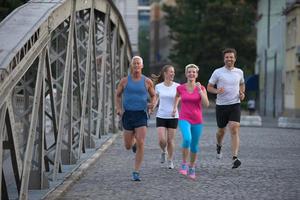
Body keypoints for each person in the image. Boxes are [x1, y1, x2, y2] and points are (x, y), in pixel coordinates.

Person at [115, 56, 156, 181]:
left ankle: (136, 171)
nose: (136, 65)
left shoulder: (147, 81)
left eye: (138, 63)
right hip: (128, 115)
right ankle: (132, 145)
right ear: (131, 66)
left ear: (142, 66)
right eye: (134, 63)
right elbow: (117, 95)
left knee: (141, 142)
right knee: (127, 145)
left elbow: (153, 96)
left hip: (141, 114)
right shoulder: (124, 81)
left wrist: (152, 104)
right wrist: (118, 108)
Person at [207, 48, 245, 169]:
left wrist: (242, 93)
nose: (229, 59)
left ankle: (235, 157)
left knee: (234, 128)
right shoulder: (218, 72)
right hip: (221, 106)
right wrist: (217, 90)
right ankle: (219, 145)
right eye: (227, 57)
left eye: (231, 57)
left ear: (235, 58)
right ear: (224, 59)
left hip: (235, 104)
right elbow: (209, 87)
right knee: (221, 131)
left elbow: (242, 84)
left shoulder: (239, 72)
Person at [172, 64, 209, 179]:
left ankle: (192, 167)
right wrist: (174, 108)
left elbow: (206, 104)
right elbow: (177, 96)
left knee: (194, 146)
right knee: (187, 139)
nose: (191, 74)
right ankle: (184, 164)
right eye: (189, 72)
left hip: (197, 120)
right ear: (186, 74)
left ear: (197, 74)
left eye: (194, 72)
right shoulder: (181, 88)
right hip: (184, 118)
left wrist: (200, 91)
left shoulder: (201, 88)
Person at [151, 65, 180, 169]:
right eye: (171, 72)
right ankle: (163, 151)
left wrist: (174, 109)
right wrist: (152, 107)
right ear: (165, 73)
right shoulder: (158, 86)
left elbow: (178, 99)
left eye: (173, 72)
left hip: (173, 116)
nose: (173, 74)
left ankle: (170, 160)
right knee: (162, 140)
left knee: (170, 140)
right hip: (161, 115)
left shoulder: (178, 86)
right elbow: (156, 99)